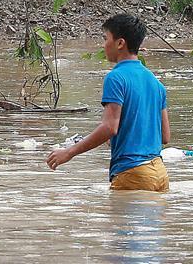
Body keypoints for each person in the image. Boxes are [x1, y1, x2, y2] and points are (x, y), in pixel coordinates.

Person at [46, 14, 171, 191]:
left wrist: (69, 152)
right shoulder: (155, 82)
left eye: (106, 39)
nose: (103, 45)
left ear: (120, 43)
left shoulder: (116, 77)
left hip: (133, 173)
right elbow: (165, 136)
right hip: (160, 173)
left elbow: (109, 127)